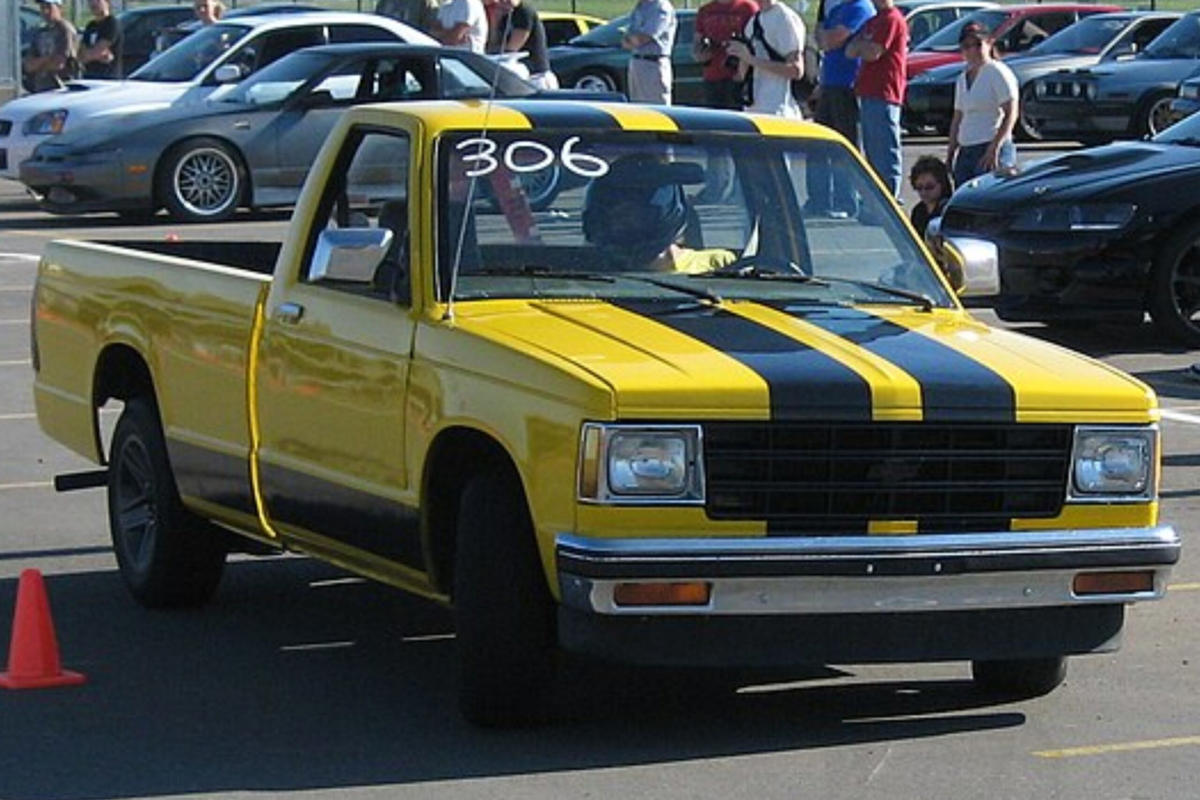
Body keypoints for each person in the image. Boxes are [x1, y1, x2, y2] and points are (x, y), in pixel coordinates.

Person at [582, 156, 735, 273]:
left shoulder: (720, 264)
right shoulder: (583, 275)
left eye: (634, 213)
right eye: (617, 215)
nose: (625, 222)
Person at [805, 0, 873, 215]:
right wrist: (826, 37)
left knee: (844, 145)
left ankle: (846, 201)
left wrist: (827, 36)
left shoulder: (861, 7)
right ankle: (819, 200)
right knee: (818, 146)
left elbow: (833, 39)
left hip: (848, 85)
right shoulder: (837, 9)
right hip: (829, 84)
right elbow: (819, 37)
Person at [846, 0, 907, 200]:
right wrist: (863, 46)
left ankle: (891, 195)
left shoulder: (892, 19)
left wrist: (862, 46)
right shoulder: (873, 21)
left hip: (885, 92)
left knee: (885, 150)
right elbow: (849, 50)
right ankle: (876, 198)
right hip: (867, 92)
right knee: (872, 151)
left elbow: (873, 53)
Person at [946, 22, 1019, 188]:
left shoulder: (997, 72)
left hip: (990, 146)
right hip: (966, 150)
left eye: (978, 45)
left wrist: (994, 148)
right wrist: (951, 154)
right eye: (966, 46)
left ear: (989, 43)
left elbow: (1011, 112)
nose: (972, 51)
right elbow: (958, 118)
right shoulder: (962, 78)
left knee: (990, 199)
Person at [725, 0, 806, 118]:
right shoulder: (753, 22)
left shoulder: (784, 18)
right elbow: (742, 75)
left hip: (779, 112)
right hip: (753, 110)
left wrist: (750, 59)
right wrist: (739, 55)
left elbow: (796, 70)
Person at [692, 0, 759, 111]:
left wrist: (742, 73)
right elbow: (697, 42)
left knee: (739, 121)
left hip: (739, 77)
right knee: (714, 121)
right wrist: (700, 54)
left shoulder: (747, 7)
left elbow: (756, 44)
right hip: (712, 76)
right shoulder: (705, 10)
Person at [491, 0, 557, 89]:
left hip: (537, 76)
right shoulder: (505, 16)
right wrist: (496, 18)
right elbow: (493, 42)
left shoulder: (524, 12)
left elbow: (512, 48)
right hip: (518, 75)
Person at [622, 0, 677, 105]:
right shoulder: (640, 7)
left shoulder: (661, 7)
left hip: (653, 63)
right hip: (636, 62)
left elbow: (644, 37)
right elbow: (625, 40)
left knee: (656, 108)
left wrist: (632, 40)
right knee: (636, 108)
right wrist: (631, 40)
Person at [22, 0, 79, 93]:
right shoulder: (40, 32)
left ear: (59, 8)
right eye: (42, 7)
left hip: (61, 88)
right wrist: (47, 59)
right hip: (41, 88)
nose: (45, 11)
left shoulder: (64, 30)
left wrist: (39, 65)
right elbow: (28, 65)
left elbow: (59, 63)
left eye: (49, 7)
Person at [908, 154, 952, 239]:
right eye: (919, 188)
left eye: (929, 187)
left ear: (942, 184)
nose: (924, 192)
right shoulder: (918, 211)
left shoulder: (948, 211)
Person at [78, 0, 122, 79]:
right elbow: (80, 55)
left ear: (107, 2)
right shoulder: (91, 26)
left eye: (98, 1)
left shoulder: (111, 23)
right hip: (89, 76)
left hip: (108, 78)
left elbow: (99, 50)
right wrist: (94, 55)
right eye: (90, 1)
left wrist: (91, 54)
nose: (93, 3)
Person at [375, 0, 440, 36]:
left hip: (413, 51)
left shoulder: (424, 2)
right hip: (388, 49)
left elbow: (431, 33)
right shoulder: (384, 3)